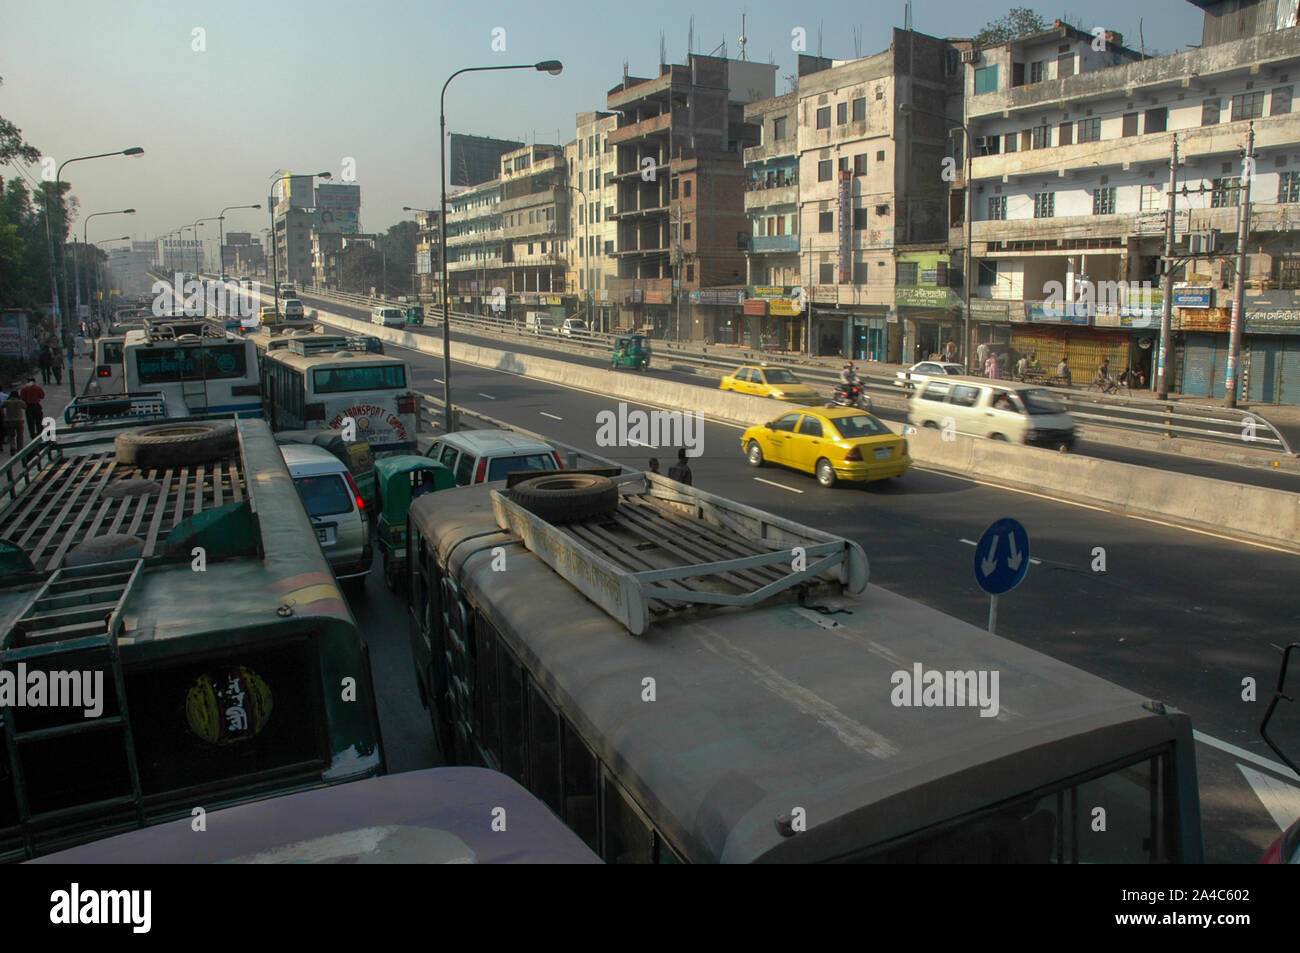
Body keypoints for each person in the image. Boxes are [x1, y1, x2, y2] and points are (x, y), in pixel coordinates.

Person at [2, 388, 26, 456]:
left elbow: (2, 406)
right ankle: (20, 448)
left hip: (9, 421)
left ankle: (12, 447)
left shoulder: (7, 402)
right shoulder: (20, 402)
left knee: (11, 435)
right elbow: (25, 407)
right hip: (19, 420)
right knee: (20, 435)